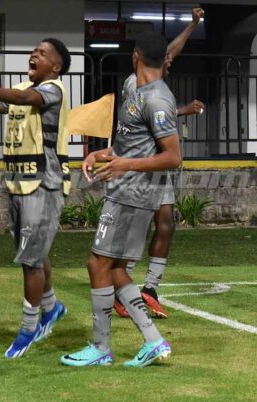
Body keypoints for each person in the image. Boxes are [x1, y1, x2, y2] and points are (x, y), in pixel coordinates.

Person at [61, 31, 181, 368]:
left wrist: (124, 164)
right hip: (125, 190)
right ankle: (153, 340)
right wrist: (103, 153)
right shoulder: (137, 91)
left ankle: (101, 348)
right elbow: (133, 145)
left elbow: (173, 156)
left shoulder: (158, 98)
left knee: (97, 264)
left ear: (136, 56)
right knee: (113, 270)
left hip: (133, 194)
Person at [0, 38, 70, 359]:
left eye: (42, 53)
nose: (34, 54)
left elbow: (21, 98)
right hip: (19, 181)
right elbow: (0, 104)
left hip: (43, 184)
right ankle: (52, 307)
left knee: (30, 260)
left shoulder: (53, 90)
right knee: (32, 251)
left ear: (55, 67)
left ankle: (28, 330)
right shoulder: (21, 89)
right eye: (33, 51)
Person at [115, 8, 205, 319]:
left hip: (157, 170)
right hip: (140, 171)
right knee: (134, 233)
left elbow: (169, 55)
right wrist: (182, 112)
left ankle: (149, 289)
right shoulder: (135, 86)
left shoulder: (155, 86)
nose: (169, 60)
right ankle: (120, 289)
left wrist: (193, 24)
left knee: (165, 224)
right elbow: (149, 120)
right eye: (165, 58)